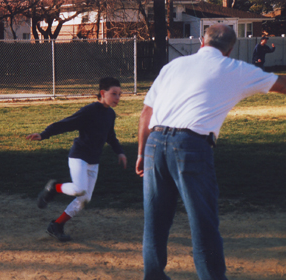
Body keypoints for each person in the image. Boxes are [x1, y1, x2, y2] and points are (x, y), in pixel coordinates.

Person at [135, 24, 286, 280]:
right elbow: (281, 84)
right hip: (190, 145)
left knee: (155, 221)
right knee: (203, 222)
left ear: (202, 42)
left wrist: (141, 153)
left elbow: (146, 113)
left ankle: (153, 276)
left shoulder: (174, 66)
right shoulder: (234, 68)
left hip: (154, 142)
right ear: (230, 49)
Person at [26, 77, 127, 242]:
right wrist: (44, 134)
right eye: (114, 94)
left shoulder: (110, 114)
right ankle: (54, 187)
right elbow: (67, 123)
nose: (117, 98)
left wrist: (120, 152)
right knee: (79, 189)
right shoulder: (90, 110)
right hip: (79, 156)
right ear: (103, 93)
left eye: (119, 94)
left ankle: (56, 226)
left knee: (84, 200)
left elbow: (111, 136)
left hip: (93, 161)